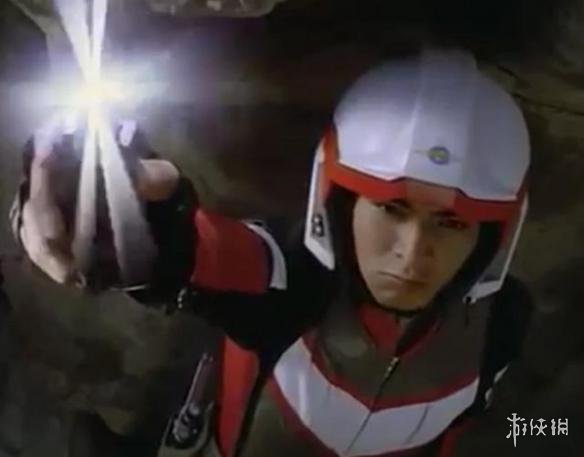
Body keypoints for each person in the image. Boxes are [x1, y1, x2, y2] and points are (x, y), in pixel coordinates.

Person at [11, 48, 533, 457]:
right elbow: (198, 253)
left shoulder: (502, 323)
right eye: (391, 210)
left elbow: (484, 429)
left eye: (451, 223)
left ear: (491, 237)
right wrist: (125, 217)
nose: (413, 254)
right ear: (340, 201)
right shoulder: (292, 282)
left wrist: (546, 430)